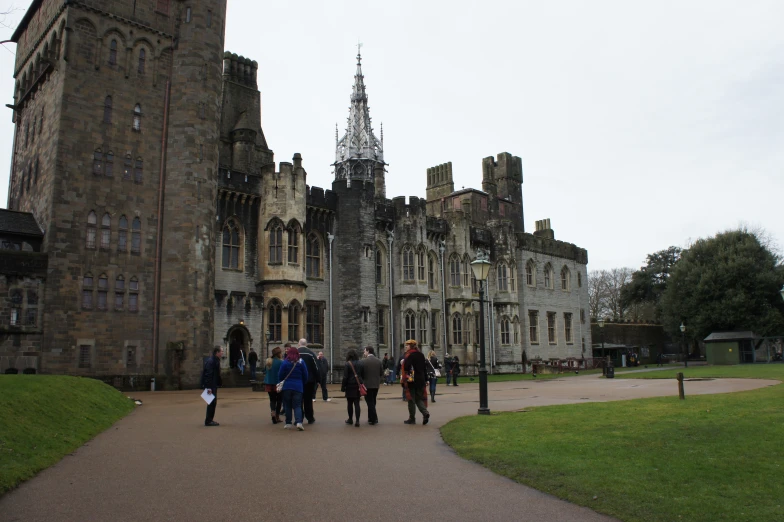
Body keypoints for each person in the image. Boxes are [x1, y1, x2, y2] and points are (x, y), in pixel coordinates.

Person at [278, 345, 308, 430]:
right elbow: (305, 375)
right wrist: (303, 383)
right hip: (298, 387)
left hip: (287, 386)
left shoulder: (285, 362)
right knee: (297, 405)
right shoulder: (301, 362)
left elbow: (280, 375)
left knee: (287, 406)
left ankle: (288, 423)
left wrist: (281, 382)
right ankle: (299, 422)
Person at [402, 340, 430, 425]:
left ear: (411, 346)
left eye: (407, 346)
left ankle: (412, 418)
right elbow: (424, 368)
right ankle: (425, 413)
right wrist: (426, 379)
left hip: (412, 380)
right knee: (418, 398)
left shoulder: (409, 355)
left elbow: (406, 368)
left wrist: (403, 364)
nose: (406, 347)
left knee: (411, 399)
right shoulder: (421, 355)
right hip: (421, 380)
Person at [297, 339, 319, 423]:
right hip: (309, 381)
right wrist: (318, 379)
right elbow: (316, 368)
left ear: (299, 344)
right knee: (308, 400)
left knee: (298, 400)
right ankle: (310, 417)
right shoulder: (311, 353)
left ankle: (299, 417)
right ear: (306, 344)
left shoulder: (295, 353)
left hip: (298, 380)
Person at [200, 347, 223, 427]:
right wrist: (208, 387)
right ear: (217, 352)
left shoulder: (215, 360)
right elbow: (208, 375)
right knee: (211, 402)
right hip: (211, 385)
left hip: (213, 384)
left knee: (213, 402)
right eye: (221, 351)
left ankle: (210, 419)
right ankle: (208, 420)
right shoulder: (211, 361)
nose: (222, 353)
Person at [362, 346, 383, 425]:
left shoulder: (364, 361)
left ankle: (374, 418)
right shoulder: (378, 361)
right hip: (376, 384)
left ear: (368, 351)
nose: (364, 353)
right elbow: (381, 372)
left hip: (367, 384)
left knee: (369, 402)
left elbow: (361, 373)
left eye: (364, 351)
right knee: (373, 401)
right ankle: (370, 418)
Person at [341, 349, 363, 427]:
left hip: (350, 385)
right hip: (357, 385)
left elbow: (345, 377)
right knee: (357, 403)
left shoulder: (347, 364)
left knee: (349, 403)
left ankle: (350, 419)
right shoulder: (360, 363)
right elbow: (362, 374)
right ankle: (357, 420)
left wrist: (343, 387)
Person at [262, 347, 283, 424]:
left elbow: (264, 371)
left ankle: (273, 413)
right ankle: (277, 416)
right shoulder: (281, 362)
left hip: (269, 383)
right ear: (278, 354)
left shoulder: (268, 361)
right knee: (279, 400)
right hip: (277, 384)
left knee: (272, 400)